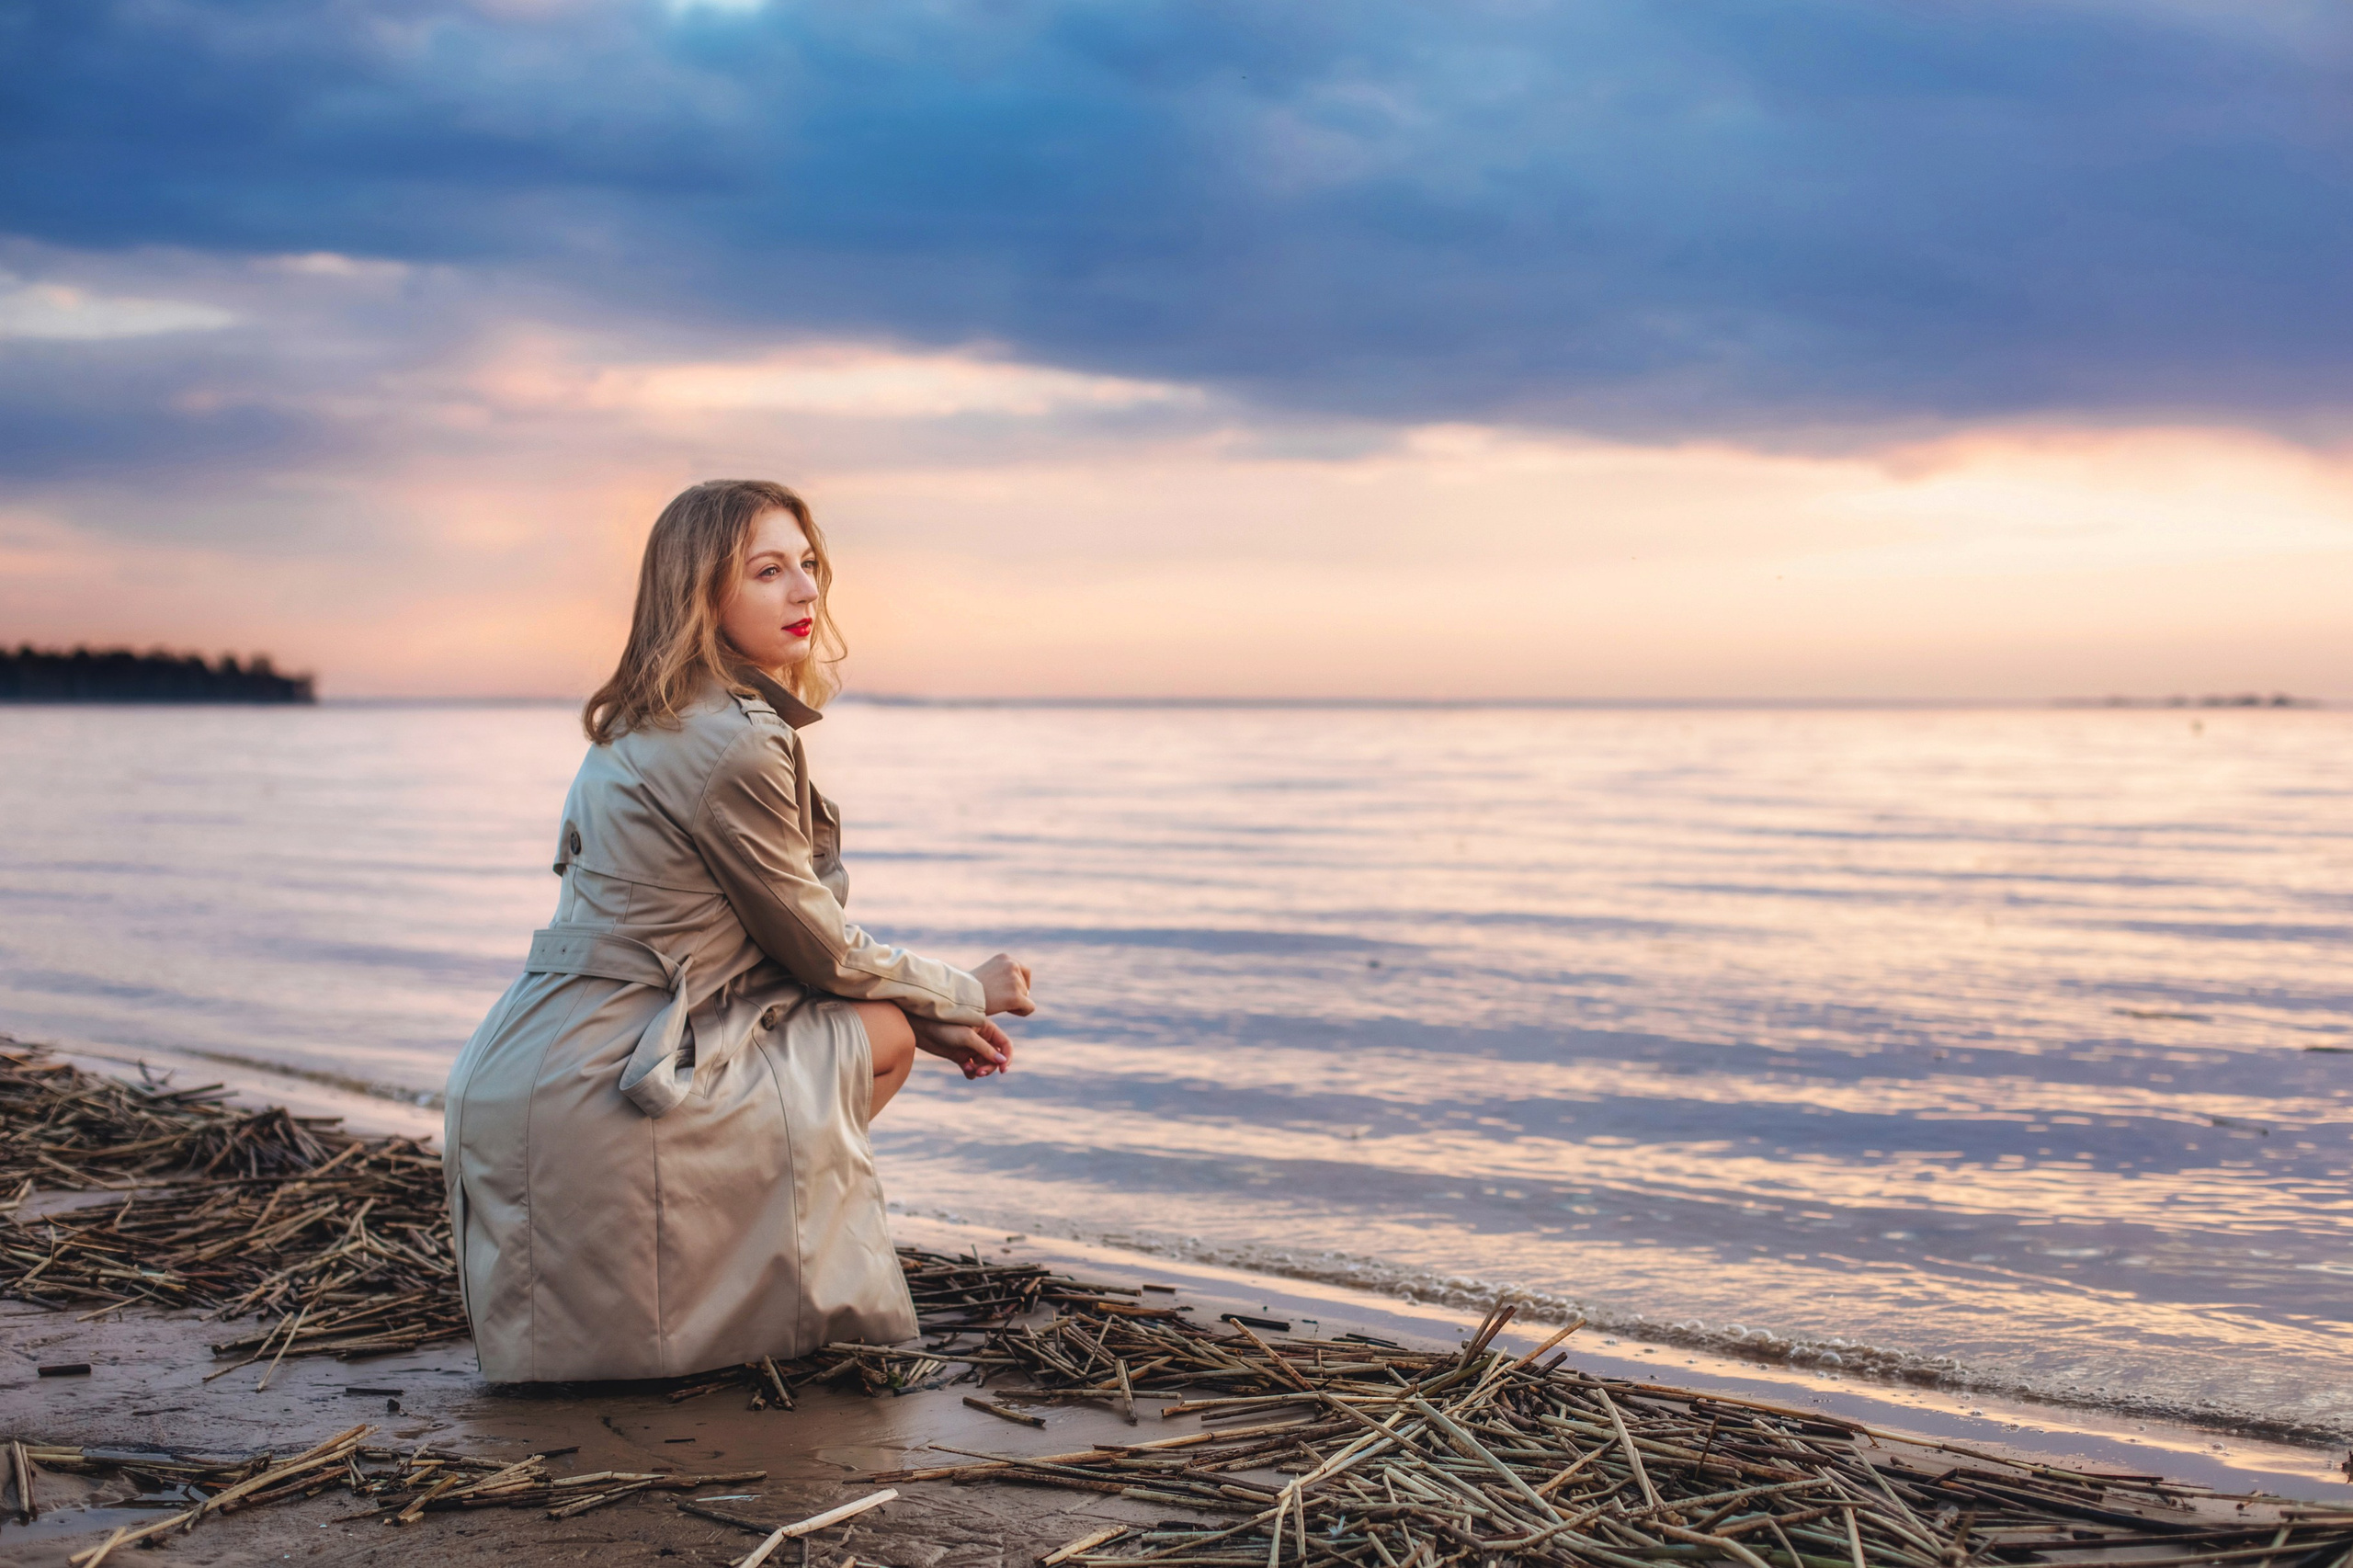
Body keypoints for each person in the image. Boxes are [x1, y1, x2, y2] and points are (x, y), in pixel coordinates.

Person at [442, 478, 1034, 1383]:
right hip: (603, 1087)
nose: (804, 592)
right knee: (877, 1035)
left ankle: (710, 1247)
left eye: (808, 566)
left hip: (525, 1071)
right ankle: (737, 1268)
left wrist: (927, 1014)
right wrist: (961, 992)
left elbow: (761, 956)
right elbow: (821, 949)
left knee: (874, 1027)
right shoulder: (733, 739)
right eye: (768, 570)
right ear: (700, 594)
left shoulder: (641, 722)